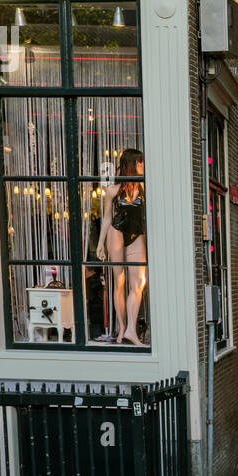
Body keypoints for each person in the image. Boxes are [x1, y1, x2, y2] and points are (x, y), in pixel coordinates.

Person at [96, 148, 147, 345]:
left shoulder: (144, 186)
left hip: (137, 234)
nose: (143, 165)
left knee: (138, 283)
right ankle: (122, 328)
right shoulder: (113, 190)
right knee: (119, 282)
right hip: (116, 232)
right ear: (133, 164)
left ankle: (131, 330)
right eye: (140, 162)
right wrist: (100, 243)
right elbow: (107, 218)